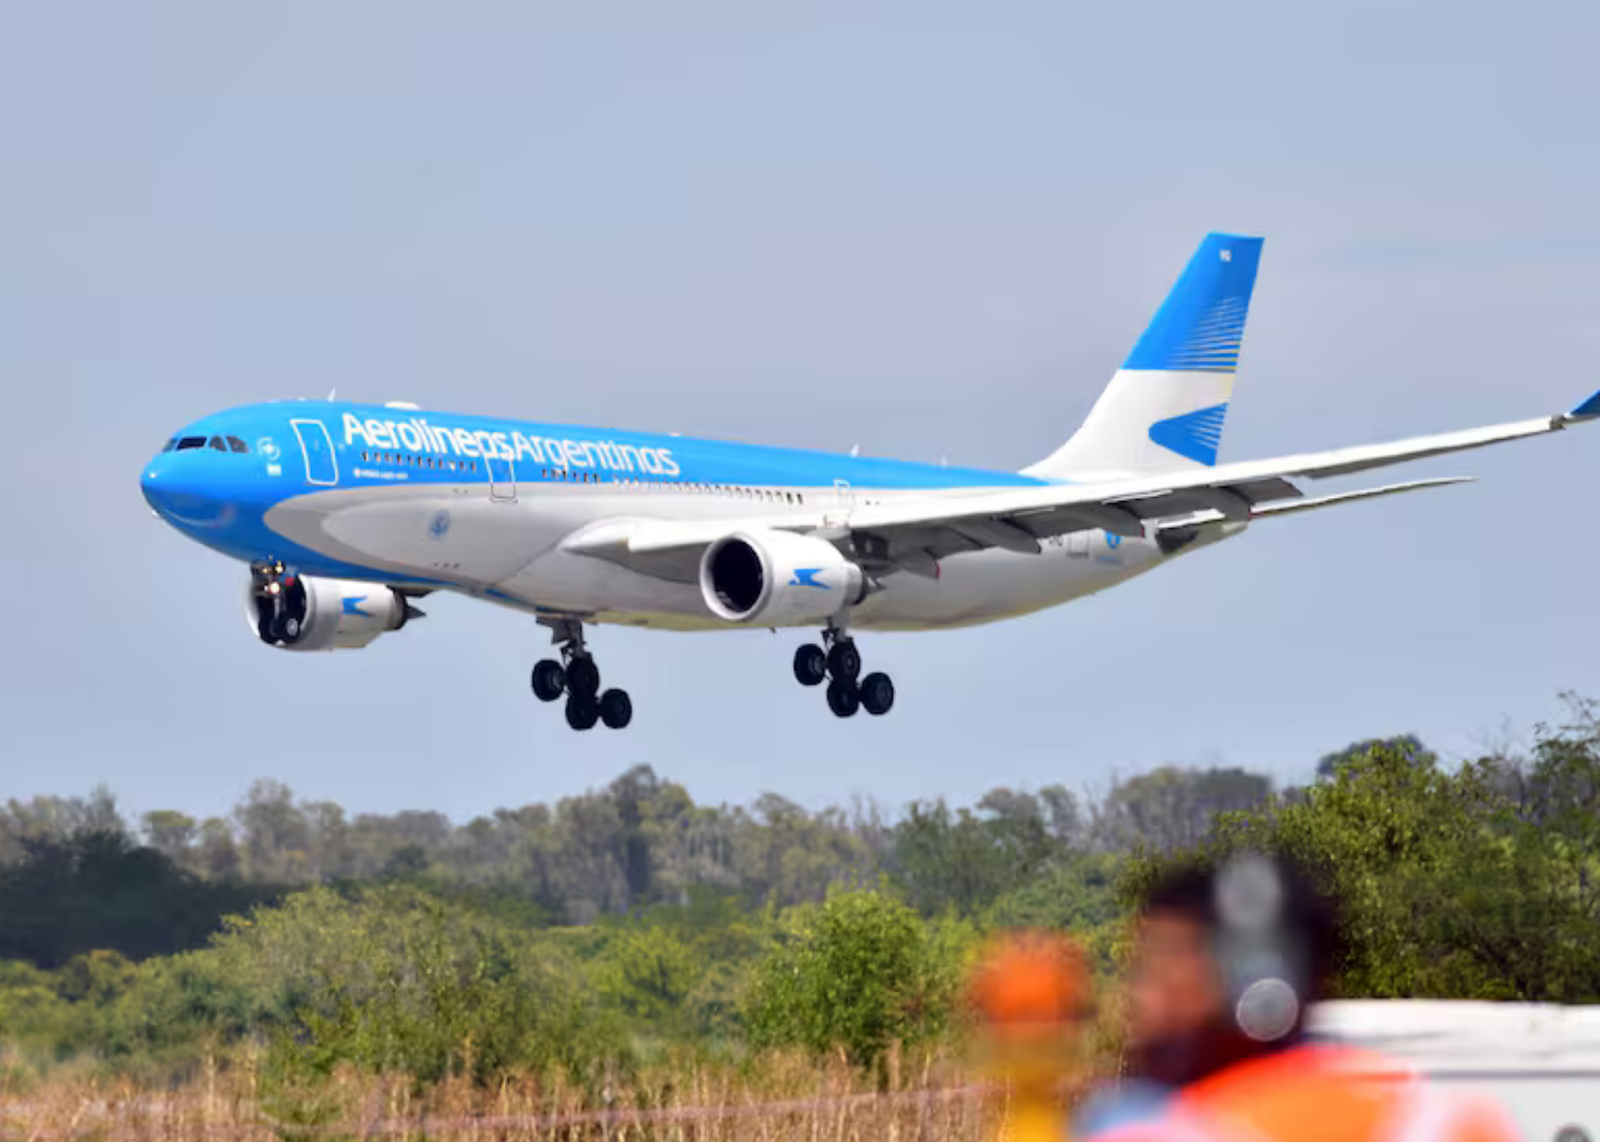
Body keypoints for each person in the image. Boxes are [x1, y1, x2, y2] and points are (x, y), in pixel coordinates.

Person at [1074, 852, 1523, 1142]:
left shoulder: (1153, 1129)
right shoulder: (1446, 1121)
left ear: (1257, 975)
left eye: (1159, 965)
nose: (1136, 998)